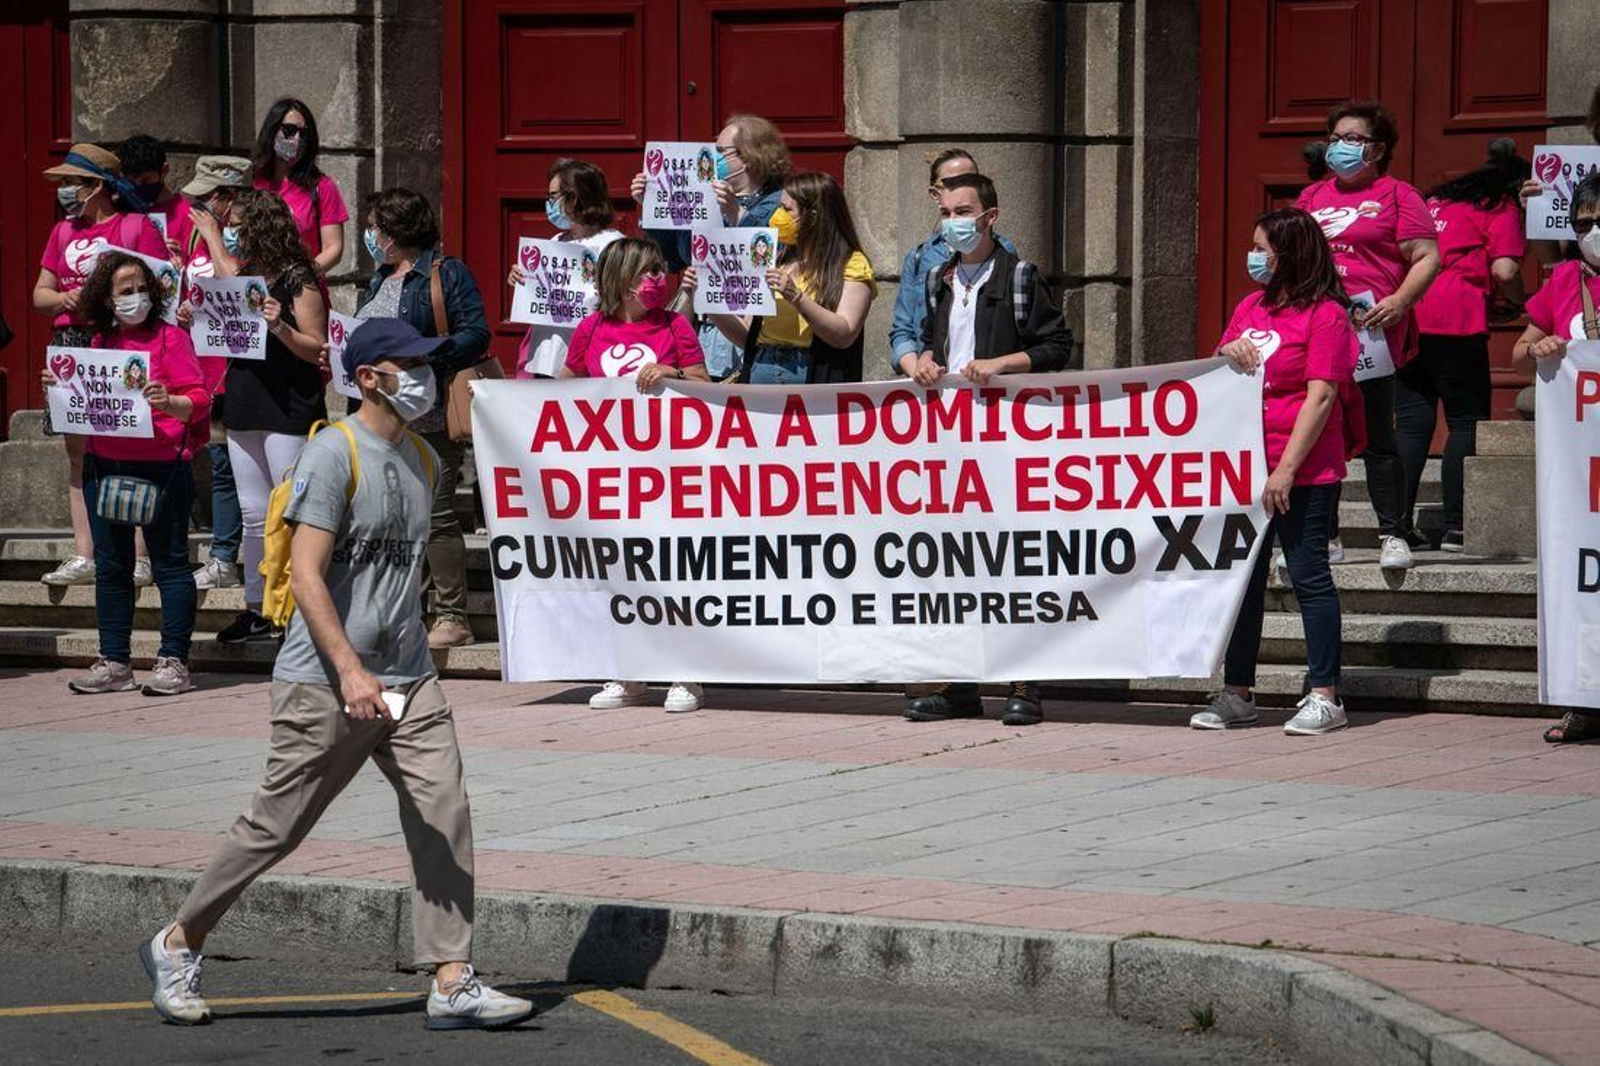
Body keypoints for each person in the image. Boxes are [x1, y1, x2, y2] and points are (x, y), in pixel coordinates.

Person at [140, 318, 534, 1032]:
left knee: (444, 812)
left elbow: (402, 574)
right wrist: (350, 671)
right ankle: (178, 940)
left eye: (427, 362)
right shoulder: (332, 452)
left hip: (408, 675)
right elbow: (306, 574)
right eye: (408, 364)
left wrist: (400, 660)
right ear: (369, 377)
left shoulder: (424, 458)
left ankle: (451, 977)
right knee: (277, 827)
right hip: (326, 679)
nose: (424, 375)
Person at [896, 172, 1073, 727]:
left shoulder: (1019, 277)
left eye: (964, 211)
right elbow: (929, 338)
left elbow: (1057, 346)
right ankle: (961, 682)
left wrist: (1002, 364)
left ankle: (1025, 681)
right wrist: (923, 360)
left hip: (1010, 436)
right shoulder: (939, 278)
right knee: (957, 562)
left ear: (990, 216)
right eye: (946, 212)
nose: (954, 222)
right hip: (952, 437)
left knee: (1015, 559)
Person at [1194, 208, 1358, 736]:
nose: (1254, 256)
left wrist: (1285, 471)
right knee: (1243, 582)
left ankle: (1325, 694)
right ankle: (1238, 691)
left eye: (1262, 247)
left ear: (1290, 253)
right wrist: (1226, 350)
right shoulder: (1251, 306)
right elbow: (1217, 370)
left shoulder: (1327, 315)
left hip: (1302, 471)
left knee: (1310, 577)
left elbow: (1322, 395)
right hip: (1245, 467)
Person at [44, 252, 209, 697]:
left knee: (171, 566)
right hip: (105, 464)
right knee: (111, 566)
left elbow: (199, 398)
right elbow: (80, 401)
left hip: (162, 467)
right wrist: (59, 389)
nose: (134, 298)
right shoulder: (96, 344)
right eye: (124, 291)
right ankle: (114, 662)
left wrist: (169, 403)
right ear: (106, 298)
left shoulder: (171, 339)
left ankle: (174, 660)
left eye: (140, 288)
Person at [558, 238, 711, 713]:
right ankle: (630, 673)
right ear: (621, 280)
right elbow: (563, 392)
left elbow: (704, 386)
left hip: (669, 469)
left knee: (673, 570)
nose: (657, 279)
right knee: (621, 571)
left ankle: (686, 672)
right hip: (611, 473)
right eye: (647, 271)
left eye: (659, 269)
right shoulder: (590, 329)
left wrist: (670, 373)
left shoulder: (675, 325)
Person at [1295, 100, 1439, 570]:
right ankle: (1326, 535)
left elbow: (1426, 256)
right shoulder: (1312, 199)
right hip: (1319, 330)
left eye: (1351, 139)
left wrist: (1400, 301)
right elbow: (1288, 253)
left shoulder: (1398, 195)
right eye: (1335, 138)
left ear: (1376, 148)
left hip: (1370, 331)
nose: (1339, 147)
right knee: (1322, 433)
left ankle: (1393, 533)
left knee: (1377, 433)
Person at [356, 188, 492, 650]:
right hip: (382, 420)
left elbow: (476, 332)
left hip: (429, 414)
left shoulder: (445, 273)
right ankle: (404, 614)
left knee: (434, 515)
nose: (371, 236)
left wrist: (424, 355)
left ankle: (452, 615)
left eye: (375, 227)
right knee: (392, 519)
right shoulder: (378, 279)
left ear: (395, 231)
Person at [33, 143, 167, 589]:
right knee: (79, 454)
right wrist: (65, 298)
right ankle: (84, 552)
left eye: (73, 182)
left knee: (131, 448)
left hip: (119, 344)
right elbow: (40, 295)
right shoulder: (61, 233)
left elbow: (159, 289)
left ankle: (141, 555)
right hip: (73, 346)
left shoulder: (134, 227)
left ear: (99, 187)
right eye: (64, 183)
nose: (66, 191)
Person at [213, 190, 329, 644]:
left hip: (288, 406)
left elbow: (317, 347)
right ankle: (257, 605)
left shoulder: (298, 278)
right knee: (254, 512)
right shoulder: (245, 274)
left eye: (238, 226)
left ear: (259, 228)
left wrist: (280, 326)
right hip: (245, 400)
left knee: (291, 509)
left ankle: (296, 605)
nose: (232, 234)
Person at [1403, 139, 1529, 553]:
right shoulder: (1501, 207)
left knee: (1410, 424)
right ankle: (1456, 528)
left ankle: (1396, 525)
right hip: (1457, 318)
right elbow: (1505, 268)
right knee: (1465, 422)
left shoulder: (1436, 201)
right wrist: (1521, 301)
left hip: (1410, 313)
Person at [1513, 172, 1600, 744]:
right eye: (1584, 222)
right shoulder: (1565, 280)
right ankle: (1586, 698)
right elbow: (1521, 353)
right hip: (1582, 472)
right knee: (1583, 576)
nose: (1593, 231)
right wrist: (1540, 349)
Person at [632, 113, 791, 378]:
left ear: (749, 155)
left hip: (751, 325)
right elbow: (675, 258)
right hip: (708, 328)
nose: (711, 157)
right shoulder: (703, 197)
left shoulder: (779, 202)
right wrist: (652, 206)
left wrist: (735, 213)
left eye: (720, 151)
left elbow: (765, 254)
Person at [694, 171, 876, 385]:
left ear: (814, 217)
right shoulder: (777, 257)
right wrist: (706, 299)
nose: (775, 216)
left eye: (786, 209)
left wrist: (796, 297)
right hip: (762, 369)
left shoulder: (850, 264)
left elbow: (844, 334)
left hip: (810, 373)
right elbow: (747, 335)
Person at [174, 156, 254, 591]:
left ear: (228, 196)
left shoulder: (245, 235)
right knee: (218, 460)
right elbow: (198, 291)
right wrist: (187, 307)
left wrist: (214, 236)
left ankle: (228, 553)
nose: (196, 206)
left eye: (205, 197)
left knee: (233, 464)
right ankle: (223, 555)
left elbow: (241, 286)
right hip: (201, 364)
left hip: (239, 367)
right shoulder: (195, 237)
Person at [888, 148, 1016, 368]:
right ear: (935, 194)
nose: (960, 187)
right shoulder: (919, 258)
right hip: (935, 390)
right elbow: (903, 331)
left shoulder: (1005, 253)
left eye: (970, 180)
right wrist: (919, 370)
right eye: (952, 182)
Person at [510, 158, 626, 378]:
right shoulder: (556, 241)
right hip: (548, 358)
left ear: (575, 197)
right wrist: (523, 280)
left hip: (591, 361)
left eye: (553, 196)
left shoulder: (614, 245)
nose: (549, 203)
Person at [252, 97, 348, 275]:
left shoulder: (322, 186)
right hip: (255, 290)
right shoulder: (252, 181)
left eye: (304, 134)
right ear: (271, 130)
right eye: (289, 130)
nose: (297, 138)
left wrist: (296, 279)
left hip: (302, 292)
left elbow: (333, 249)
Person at [115, 133, 192, 262]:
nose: (138, 186)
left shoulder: (186, 214)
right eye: (132, 182)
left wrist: (184, 256)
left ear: (164, 170)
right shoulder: (120, 209)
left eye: (146, 180)